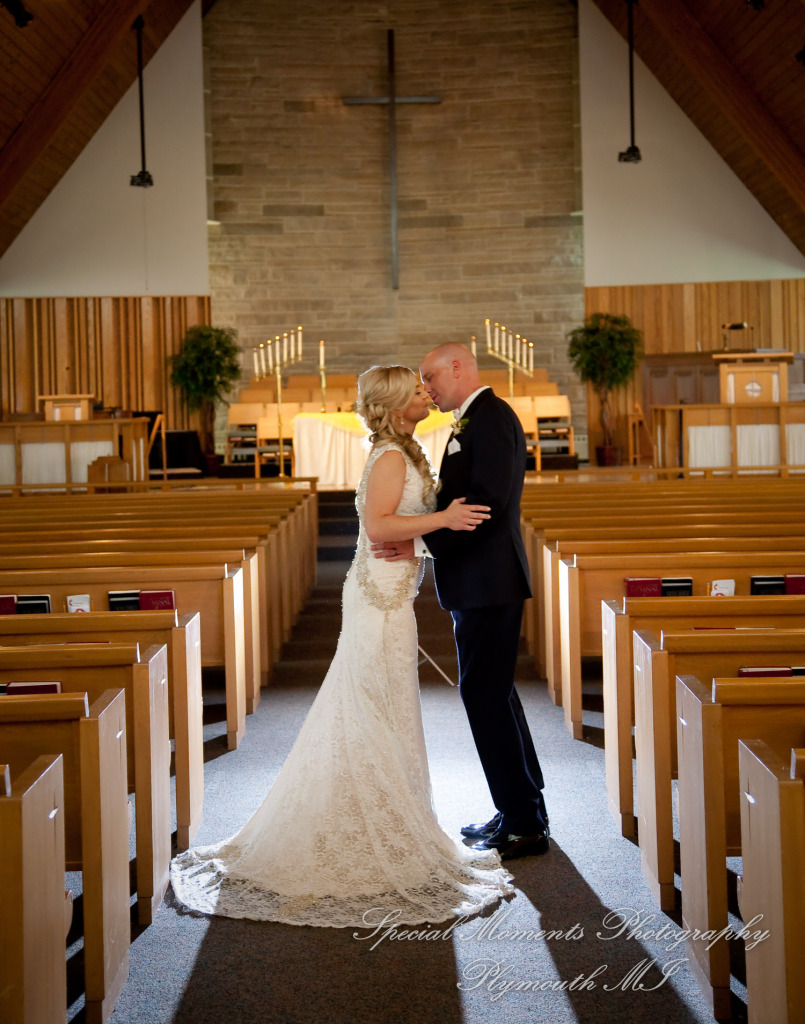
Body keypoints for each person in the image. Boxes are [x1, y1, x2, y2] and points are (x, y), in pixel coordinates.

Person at [170, 365, 515, 928]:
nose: (427, 392)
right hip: (377, 600)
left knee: (384, 703)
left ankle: (384, 812)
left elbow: (396, 529)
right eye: (416, 387)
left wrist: (425, 540)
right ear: (395, 401)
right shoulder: (387, 456)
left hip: (391, 591)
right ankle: (367, 823)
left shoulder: (400, 448)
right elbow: (379, 527)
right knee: (371, 700)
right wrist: (446, 518)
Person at [374, 343, 549, 860]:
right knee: (497, 696)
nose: (427, 388)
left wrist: (421, 542)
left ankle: (523, 822)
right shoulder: (476, 418)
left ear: (458, 367)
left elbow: (484, 506)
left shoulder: (490, 418)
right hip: (483, 580)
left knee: (484, 697)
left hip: (488, 581)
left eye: (430, 376)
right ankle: (523, 810)